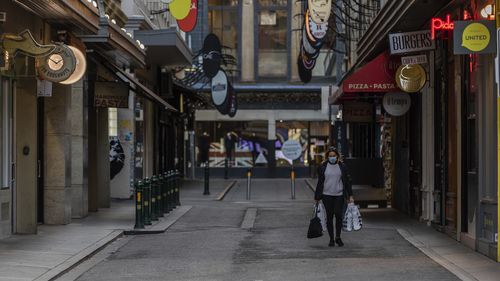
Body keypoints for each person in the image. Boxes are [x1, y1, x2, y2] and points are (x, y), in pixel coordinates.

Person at [314, 147, 354, 247]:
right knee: (330, 217)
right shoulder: (323, 167)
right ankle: (331, 239)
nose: (332, 157)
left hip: (339, 195)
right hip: (327, 195)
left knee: (338, 215)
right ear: (327, 157)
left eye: (334, 156)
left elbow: (347, 182)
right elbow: (320, 182)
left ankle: (338, 237)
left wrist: (350, 195)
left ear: (337, 156)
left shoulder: (342, 166)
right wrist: (317, 197)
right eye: (330, 156)